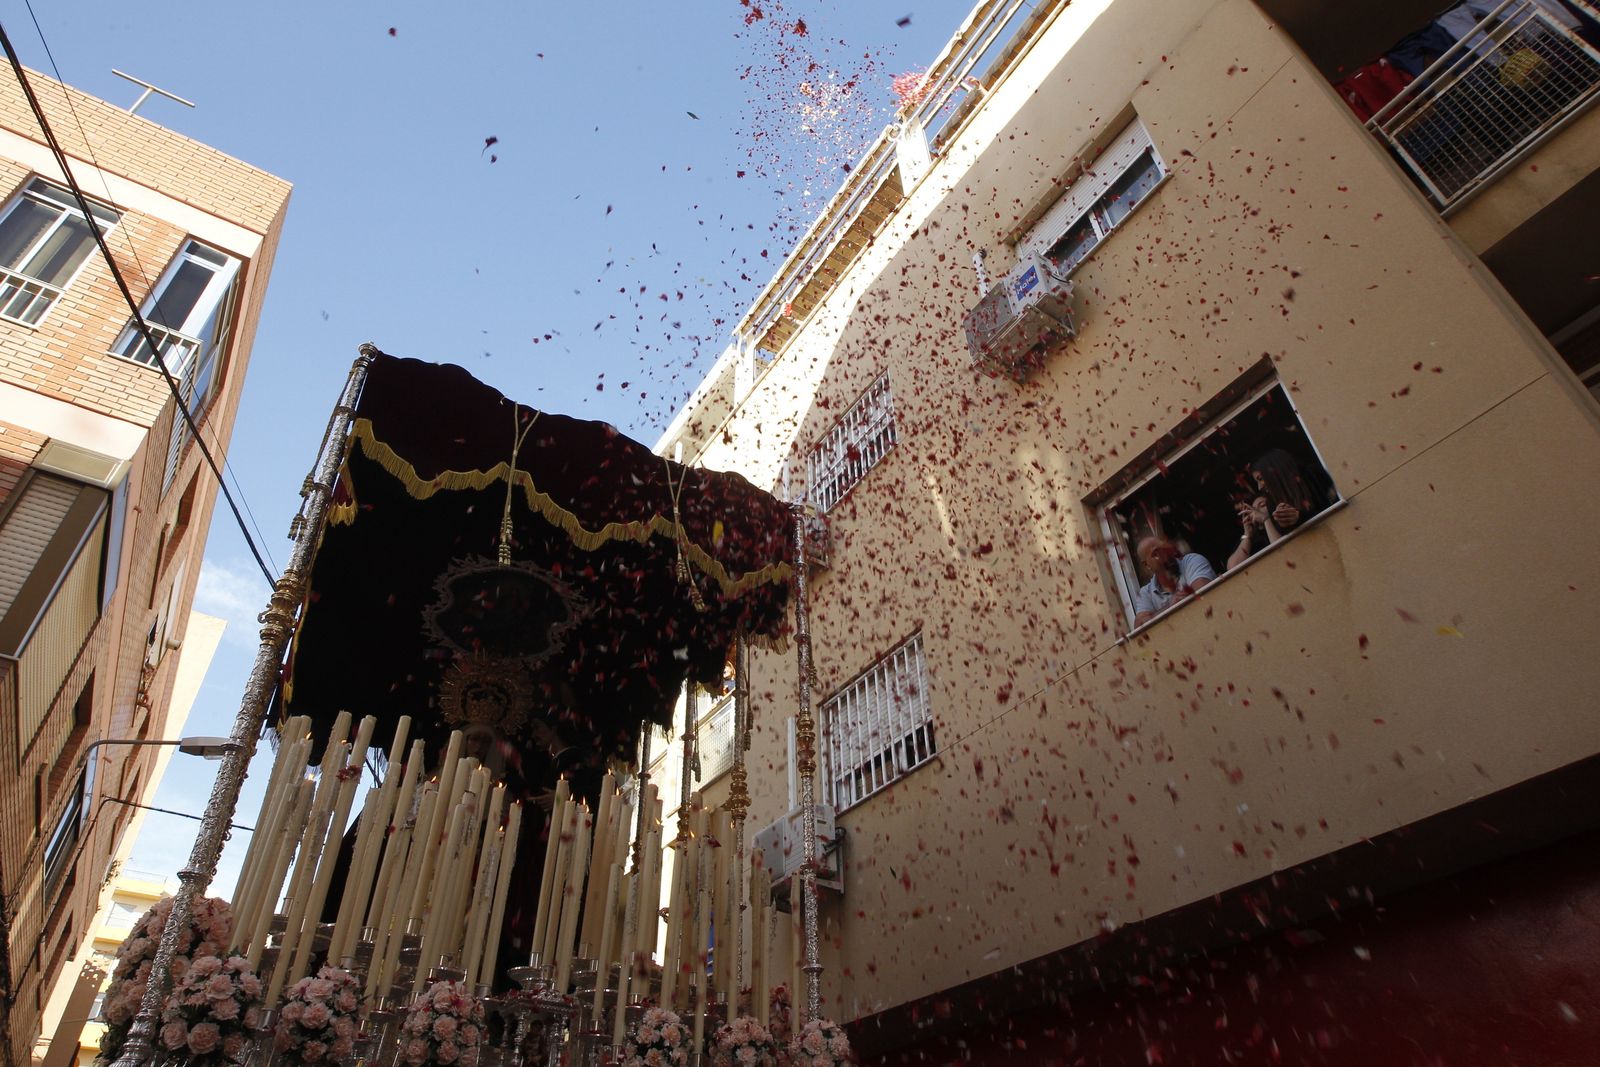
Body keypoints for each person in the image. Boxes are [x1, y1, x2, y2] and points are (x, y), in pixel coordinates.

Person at [1227, 449, 1325, 569]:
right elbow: (1232, 567)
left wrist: (1299, 517)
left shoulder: (1312, 475)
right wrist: (1248, 534)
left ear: (1274, 472)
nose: (1260, 486)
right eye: (1254, 509)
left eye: (1260, 478)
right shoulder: (1272, 517)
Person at [1132, 536, 1214, 626]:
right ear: (1146, 565)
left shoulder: (1192, 561)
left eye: (1164, 548)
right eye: (1156, 554)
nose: (1165, 555)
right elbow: (1139, 625)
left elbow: (1203, 591)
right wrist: (1170, 607)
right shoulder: (1145, 593)